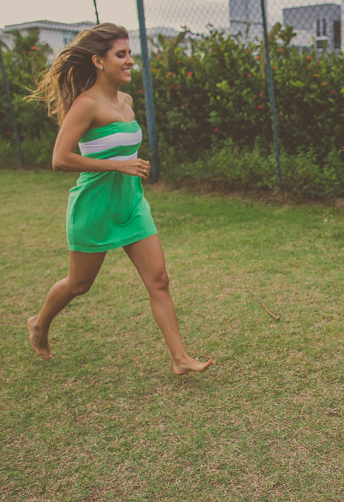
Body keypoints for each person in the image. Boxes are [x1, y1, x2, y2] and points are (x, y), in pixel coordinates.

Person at [27, 23, 213, 375]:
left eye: (130, 54)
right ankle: (39, 323)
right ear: (98, 61)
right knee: (78, 284)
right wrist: (116, 165)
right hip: (94, 204)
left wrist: (123, 169)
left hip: (131, 203)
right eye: (121, 55)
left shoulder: (125, 100)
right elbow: (60, 159)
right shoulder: (85, 105)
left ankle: (180, 359)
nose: (130, 61)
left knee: (159, 279)